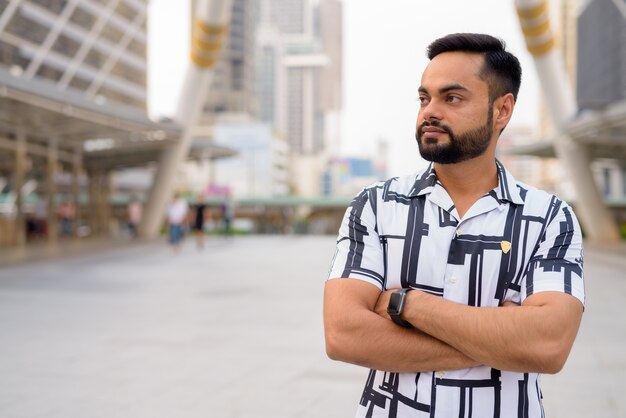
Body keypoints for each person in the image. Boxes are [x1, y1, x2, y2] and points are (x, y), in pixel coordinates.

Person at [324, 33, 584, 418]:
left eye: (452, 98)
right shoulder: (376, 207)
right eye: (424, 98)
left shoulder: (549, 218)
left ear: (502, 110)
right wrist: (504, 341)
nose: (430, 111)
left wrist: (406, 304)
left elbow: (547, 347)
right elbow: (343, 335)